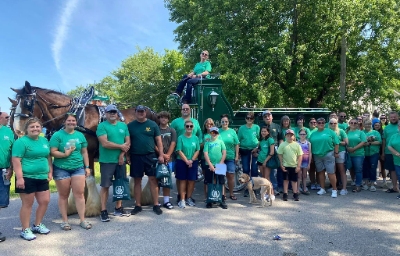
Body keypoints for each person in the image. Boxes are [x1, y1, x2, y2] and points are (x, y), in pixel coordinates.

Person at [12, 118, 52, 241]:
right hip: (26, 177)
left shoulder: (44, 140)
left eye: (37, 126)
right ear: (27, 129)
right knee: (28, 204)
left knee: (44, 201)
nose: (35, 129)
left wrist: (50, 171)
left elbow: (48, 156)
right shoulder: (21, 142)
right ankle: (25, 229)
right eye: (32, 127)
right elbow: (16, 160)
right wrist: (19, 178)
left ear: (41, 128)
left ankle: (37, 225)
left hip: (42, 177)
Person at [49, 113, 92, 230]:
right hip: (61, 169)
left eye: (73, 121)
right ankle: (64, 221)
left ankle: (82, 220)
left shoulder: (80, 136)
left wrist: (87, 166)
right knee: (63, 196)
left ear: (76, 122)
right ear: (64, 122)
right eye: (69, 121)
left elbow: (84, 152)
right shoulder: (57, 135)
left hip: (78, 168)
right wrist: (64, 154)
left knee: (79, 195)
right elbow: (52, 151)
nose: (71, 122)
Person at [96, 104, 131, 222]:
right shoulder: (102, 126)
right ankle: (103, 210)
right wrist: (121, 146)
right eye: (110, 112)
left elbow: (128, 143)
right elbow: (105, 143)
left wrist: (121, 155)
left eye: (114, 112)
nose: (112, 113)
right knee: (105, 186)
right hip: (107, 161)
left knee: (120, 184)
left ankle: (118, 208)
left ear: (117, 114)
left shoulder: (123, 126)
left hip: (121, 161)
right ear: (105, 113)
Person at [128, 105, 165, 215]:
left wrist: (161, 155)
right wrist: (127, 156)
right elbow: (127, 142)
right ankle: (138, 205)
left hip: (150, 156)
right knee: (137, 181)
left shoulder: (152, 124)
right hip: (136, 156)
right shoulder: (130, 126)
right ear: (135, 112)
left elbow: (159, 141)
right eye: (139, 111)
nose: (141, 113)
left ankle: (156, 204)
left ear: (145, 112)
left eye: (142, 111)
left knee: (153, 180)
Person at [170, 104, 202, 202]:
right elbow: (170, 134)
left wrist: (197, 150)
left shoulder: (195, 122)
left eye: (187, 109)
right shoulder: (175, 122)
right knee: (180, 177)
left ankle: (188, 196)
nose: (185, 110)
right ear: (181, 110)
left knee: (191, 178)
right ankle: (180, 196)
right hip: (178, 153)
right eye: (183, 109)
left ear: (190, 110)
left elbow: (199, 136)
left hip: (192, 153)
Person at [309, 117, 340, 197]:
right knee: (320, 172)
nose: (321, 124)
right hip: (317, 155)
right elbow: (309, 145)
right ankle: (322, 189)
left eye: (322, 123)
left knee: (331, 173)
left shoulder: (330, 132)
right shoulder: (313, 134)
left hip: (328, 154)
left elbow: (337, 143)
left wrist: (336, 152)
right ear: (316, 124)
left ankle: (334, 189)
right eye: (319, 123)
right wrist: (311, 156)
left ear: (325, 124)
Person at [175, 120, 200, 208]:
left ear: (193, 128)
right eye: (187, 126)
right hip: (182, 161)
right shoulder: (180, 138)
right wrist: (186, 161)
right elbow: (179, 150)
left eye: (191, 126)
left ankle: (188, 198)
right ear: (184, 127)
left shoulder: (196, 138)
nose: (189, 128)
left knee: (191, 181)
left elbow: (197, 150)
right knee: (182, 180)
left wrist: (192, 160)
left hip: (193, 161)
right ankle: (182, 200)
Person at [156, 111, 176, 209]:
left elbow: (173, 143)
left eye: (166, 117)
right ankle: (156, 201)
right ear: (159, 119)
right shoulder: (156, 129)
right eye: (162, 117)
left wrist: (167, 155)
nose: (164, 119)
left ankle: (166, 201)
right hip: (158, 159)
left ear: (168, 119)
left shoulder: (172, 130)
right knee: (157, 180)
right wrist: (162, 155)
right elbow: (154, 144)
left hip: (169, 159)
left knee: (166, 180)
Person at [203, 127, 228, 209]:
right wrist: (210, 165)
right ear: (210, 133)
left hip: (220, 164)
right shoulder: (207, 143)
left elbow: (224, 152)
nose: (213, 134)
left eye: (215, 133)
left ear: (218, 134)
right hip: (209, 164)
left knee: (221, 181)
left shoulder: (221, 142)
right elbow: (206, 154)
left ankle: (222, 199)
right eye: (212, 132)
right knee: (209, 181)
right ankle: (209, 199)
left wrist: (221, 162)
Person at [238, 112, 260, 197]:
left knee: (254, 170)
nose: (249, 120)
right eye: (248, 118)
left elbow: (259, 139)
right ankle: (247, 188)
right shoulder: (241, 128)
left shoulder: (256, 127)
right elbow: (238, 141)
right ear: (245, 119)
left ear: (253, 119)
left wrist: (257, 148)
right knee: (246, 169)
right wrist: (238, 152)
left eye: (251, 118)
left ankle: (254, 188)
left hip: (254, 150)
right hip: (244, 150)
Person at [277, 129, 303, 201]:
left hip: (294, 165)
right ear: (285, 136)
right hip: (285, 165)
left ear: (294, 136)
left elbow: (300, 155)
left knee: (294, 180)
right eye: (288, 136)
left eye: (291, 135)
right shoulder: (283, 144)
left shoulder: (297, 145)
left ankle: (295, 193)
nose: (290, 137)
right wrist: (281, 164)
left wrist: (298, 166)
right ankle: (285, 193)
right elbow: (279, 154)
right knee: (286, 180)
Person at [261, 110, 283, 196]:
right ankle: (266, 189)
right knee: (264, 171)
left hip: (274, 150)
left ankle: (274, 188)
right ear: (263, 118)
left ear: (272, 117)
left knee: (274, 171)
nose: (267, 117)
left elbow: (280, 138)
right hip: (264, 150)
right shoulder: (261, 127)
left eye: (268, 115)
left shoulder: (277, 126)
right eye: (265, 116)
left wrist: (280, 149)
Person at [0, 112, 14, 242]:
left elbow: (12, 151)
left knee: (2, 202)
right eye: (6, 117)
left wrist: (11, 168)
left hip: (3, 170)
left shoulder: (8, 132)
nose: (8, 119)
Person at [219, 114, 239, 200]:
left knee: (230, 175)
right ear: (220, 122)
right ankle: (223, 194)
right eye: (223, 121)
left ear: (228, 122)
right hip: (219, 158)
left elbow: (237, 144)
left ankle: (231, 193)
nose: (224, 123)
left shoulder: (232, 132)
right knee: (221, 176)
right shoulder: (217, 132)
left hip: (230, 157)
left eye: (226, 121)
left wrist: (237, 155)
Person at [347, 118, 367, 192]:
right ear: (349, 124)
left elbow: (363, 142)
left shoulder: (360, 133)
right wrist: (348, 148)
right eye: (351, 123)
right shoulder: (346, 132)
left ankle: (358, 185)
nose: (353, 124)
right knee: (350, 169)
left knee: (358, 170)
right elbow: (344, 141)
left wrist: (354, 148)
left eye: (355, 123)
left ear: (357, 124)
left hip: (358, 154)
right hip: (348, 154)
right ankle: (353, 181)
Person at [329, 118, 349, 195]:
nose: (333, 125)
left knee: (341, 170)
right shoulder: (328, 131)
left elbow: (346, 142)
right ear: (329, 124)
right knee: (332, 171)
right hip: (330, 152)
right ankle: (334, 187)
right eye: (331, 123)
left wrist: (337, 142)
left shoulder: (341, 131)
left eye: (335, 123)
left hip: (340, 152)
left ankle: (344, 188)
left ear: (337, 124)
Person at [382, 111, 399, 193]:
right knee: (392, 170)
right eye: (391, 117)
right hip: (389, 152)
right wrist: (383, 152)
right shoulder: (386, 128)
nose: (393, 118)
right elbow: (384, 141)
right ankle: (395, 187)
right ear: (389, 118)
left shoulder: (399, 126)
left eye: (394, 117)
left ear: (398, 117)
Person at [257, 126, 276, 200]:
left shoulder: (270, 140)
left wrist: (265, 161)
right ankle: (265, 194)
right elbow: (261, 150)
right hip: (260, 161)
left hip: (267, 162)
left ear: (268, 132)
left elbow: (272, 152)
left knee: (267, 178)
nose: (263, 133)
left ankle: (271, 194)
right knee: (263, 178)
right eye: (262, 131)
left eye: (265, 131)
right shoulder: (261, 141)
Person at [362, 119, 381, 192]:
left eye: (369, 124)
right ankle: (366, 184)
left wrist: (370, 143)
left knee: (373, 168)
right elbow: (360, 141)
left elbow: (379, 142)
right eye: (366, 124)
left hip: (374, 153)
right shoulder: (362, 132)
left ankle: (372, 184)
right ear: (364, 125)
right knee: (365, 168)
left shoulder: (375, 132)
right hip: (364, 153)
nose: (368, 125)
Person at [387, 121, 400, 199]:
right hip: (397, 160)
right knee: (399, 176)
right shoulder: (394, 136)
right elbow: (389, 146)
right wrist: (398, 154)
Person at [373, 120, 387, 188]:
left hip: (381, 150)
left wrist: (383, 152)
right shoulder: (371, 132)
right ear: (373, 126)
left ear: (380, 126)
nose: (377, 126)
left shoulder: (383, 132)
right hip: (374, 151)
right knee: (374, 166)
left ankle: (384, 181)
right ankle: (374, 179)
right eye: (375, 125)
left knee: (383, 166)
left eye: (378, 125)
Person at [297, 128, 311, 195]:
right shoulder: (297, 143)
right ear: (299, 135)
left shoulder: (308, 143)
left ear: (306, 135)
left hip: (306, 161)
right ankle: (297, 188)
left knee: (304, 175)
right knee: (299, 175)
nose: (302, 135)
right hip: (299, 161)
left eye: (304, 134)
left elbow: (310, 153)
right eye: (301, 134)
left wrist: (309, 163)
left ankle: (304, 188)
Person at [308, 118, 319, 190]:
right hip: (310, 152)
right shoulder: (307, 130)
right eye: (311, 122)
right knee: (311, 169)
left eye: (315, 122)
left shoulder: (319, 130)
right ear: (309, 123)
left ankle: (318, 183)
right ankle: (312, 182)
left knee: (318, 169)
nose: (313, 123)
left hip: (318, 152)